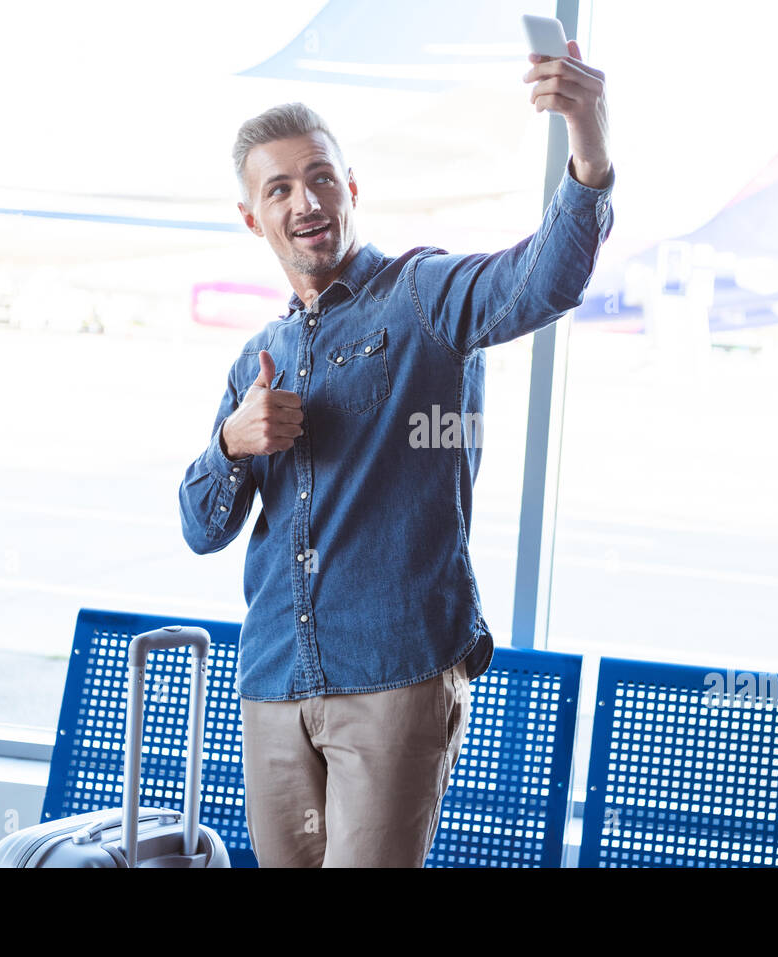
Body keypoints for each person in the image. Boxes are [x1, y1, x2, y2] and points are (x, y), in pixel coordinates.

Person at [178, 39, 613, 867]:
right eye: (280, 188)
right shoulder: (256, 360)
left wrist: (587, 145)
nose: (306, 200)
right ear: (253, 216)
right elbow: (202, 527)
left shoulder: (422, 295)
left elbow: (546, 278)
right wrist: (231, 445)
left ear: (349, 188)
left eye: (320, 178)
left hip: (391, 676)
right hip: (272, 680)